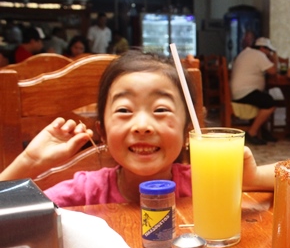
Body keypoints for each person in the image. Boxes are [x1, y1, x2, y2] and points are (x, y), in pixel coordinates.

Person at [0, 51, 275, 207]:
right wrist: (29, 162)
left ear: (188, 132)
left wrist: (253, 178)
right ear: (103, 133)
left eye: (161, 110)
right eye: (123, 110)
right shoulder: (86, 192)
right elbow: (9, 215)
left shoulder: (203, 181)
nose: (142, 126)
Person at [230, 37, 278, 145]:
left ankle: (263, 131)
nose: (269, 53)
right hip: (245, 92)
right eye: (268, 50)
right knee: (270, 103)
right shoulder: (259, 55)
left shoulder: (245, 52)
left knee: (264, 98)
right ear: (262, 48)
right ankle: (252, 132)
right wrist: (275, 58)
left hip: (239, 91)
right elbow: (273, 71)